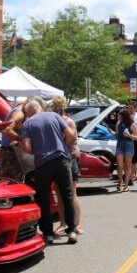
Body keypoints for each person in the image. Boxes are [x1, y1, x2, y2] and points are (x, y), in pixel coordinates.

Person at [19, 100, 78, 245]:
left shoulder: (28, 124)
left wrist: (39, 150)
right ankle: (71, 231)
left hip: (42, 164)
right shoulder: (54, 116)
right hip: (61, 160)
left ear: (29, 112)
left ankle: (48, 234)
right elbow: (71, 135)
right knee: (67, 196)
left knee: (43, 198)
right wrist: (62, 144)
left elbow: (26, 147)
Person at [50, 96, 84, 236]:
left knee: (71, 193)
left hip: (69, 158)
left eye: (55, 105)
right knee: (59, 192)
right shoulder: (57, 120)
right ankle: (63, 223)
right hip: (59, 158)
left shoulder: (67, 121)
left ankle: (77, 223)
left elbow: (71, 138)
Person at [115, 108, 137, 191]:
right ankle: (120, 182)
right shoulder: (119, 124)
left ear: (124, 116)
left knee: (128, 166)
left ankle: (126, 185)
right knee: (119, 165)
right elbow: (117, 135)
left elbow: (136, 137)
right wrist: (111, 132)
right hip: (120, 145)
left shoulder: (132, 125)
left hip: (129, 145)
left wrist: (129, 135)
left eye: (120, 116)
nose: (118, 117)